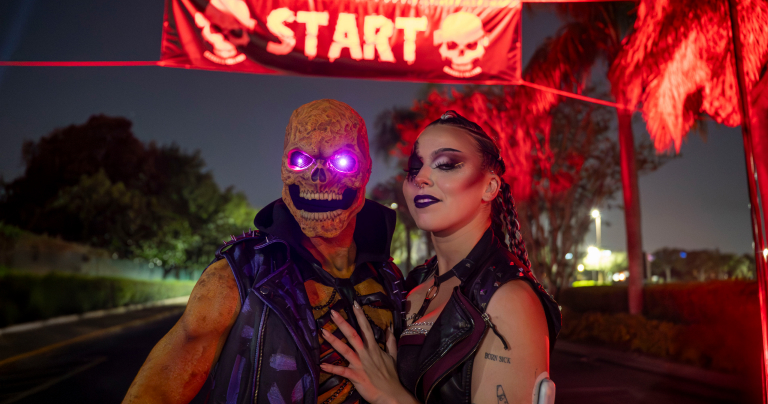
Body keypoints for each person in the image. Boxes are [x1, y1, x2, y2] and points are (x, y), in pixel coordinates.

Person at [122, 99, 405, 404]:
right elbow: (162, 388)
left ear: (365, 170)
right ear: (283, 167)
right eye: (301, 160)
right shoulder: (241, 272)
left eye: (343, 161)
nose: (319, 175)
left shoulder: (390, 278)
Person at [318, 111, 561, 404]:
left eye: (445, 165)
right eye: (414, 168)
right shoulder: (410, 284)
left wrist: (390, 396)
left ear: (490, 187)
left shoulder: (508, 299)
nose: (421, 178)